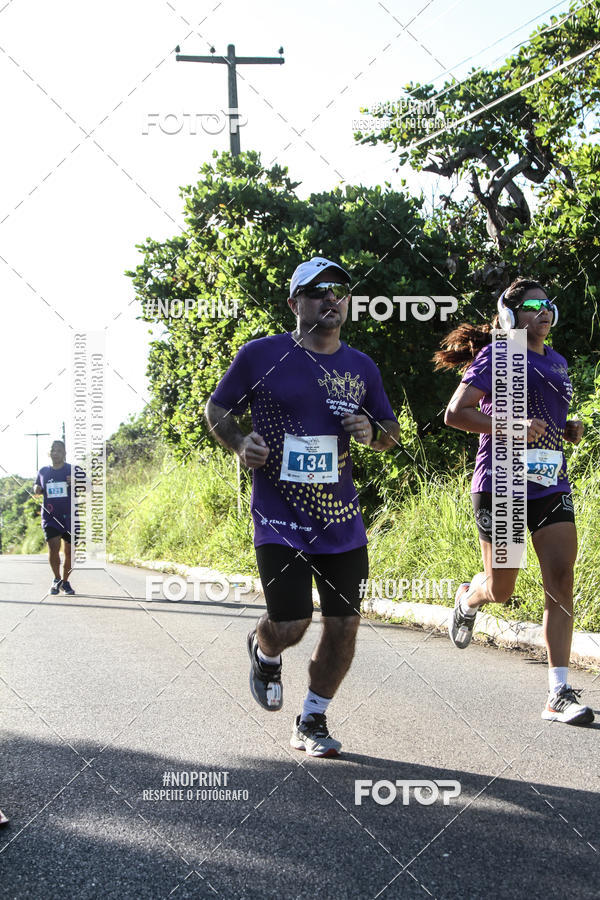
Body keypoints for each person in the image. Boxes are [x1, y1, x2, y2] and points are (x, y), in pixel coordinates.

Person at [206, 256, 399, 756]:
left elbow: (391, 434)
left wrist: (372, 432)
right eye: (317, 291)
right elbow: (218, 408)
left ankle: (312, 719)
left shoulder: (362, 367)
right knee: (291, 624)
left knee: (343, 628)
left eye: (339, 289)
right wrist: (239, 442)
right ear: (295, 303)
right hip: (279, 519)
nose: (330, 298)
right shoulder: (260, 355)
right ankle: (264, 649)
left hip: (341, 523)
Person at [436, 277, 593, 725]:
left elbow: (542, 418)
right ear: (510, 316)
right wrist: (511, 425)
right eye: (531, 305)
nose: (543, 311)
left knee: (561, 577)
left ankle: (557, 693)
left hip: (548, 481)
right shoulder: (498, 355)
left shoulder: (558, 362)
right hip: (500, 484)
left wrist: (566, 429)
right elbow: (456, 414)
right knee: (502, 589)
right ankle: (469, 599)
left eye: (548, 303)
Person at [33, 440, 75, 596]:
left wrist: (77, 482)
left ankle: (65, 581)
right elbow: (36, 486)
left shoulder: (72, 469)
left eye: (59, 450)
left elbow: (89, 486)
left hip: (70, 517)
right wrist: (36, 488)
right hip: (50, 517)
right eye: (53, 450)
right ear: (49, 453)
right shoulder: (43, 471)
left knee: (70, 552)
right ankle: (57, 578)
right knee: (53, 547)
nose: (55, 453)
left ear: (64, 453)